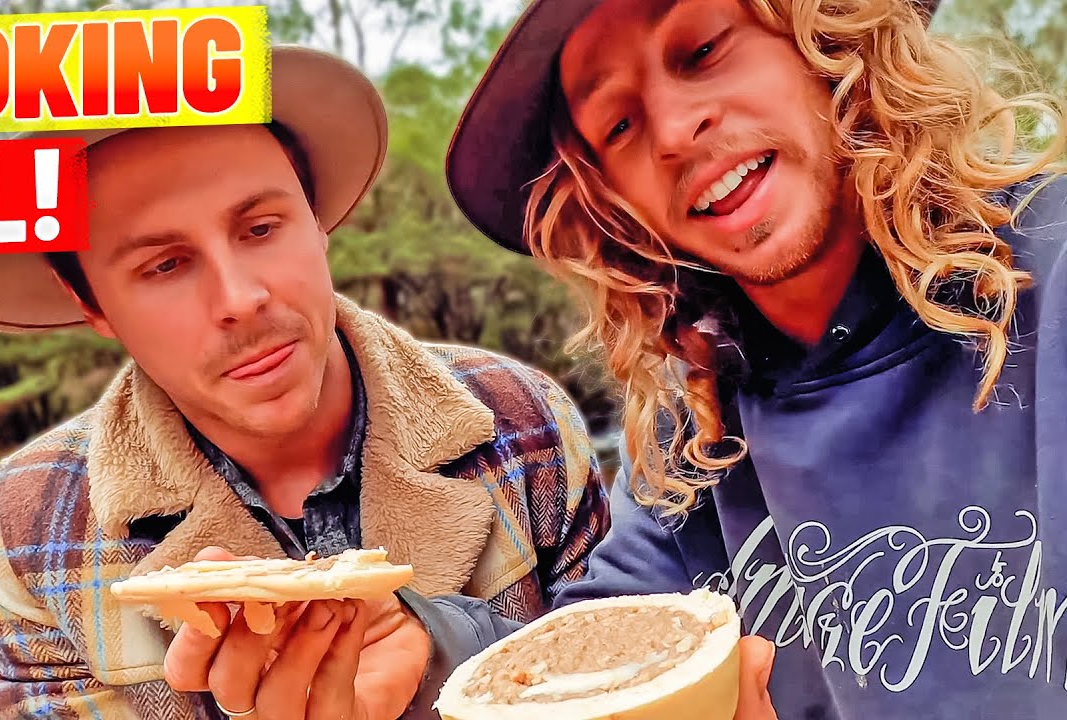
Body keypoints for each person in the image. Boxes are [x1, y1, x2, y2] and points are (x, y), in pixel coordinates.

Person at [429, 0, 1067, 718]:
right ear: (613, 202)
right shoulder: (691, 427)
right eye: (619, 125)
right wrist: (424, 642)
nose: (674, 132)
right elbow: (591, 648)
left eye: (702, 51)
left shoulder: (1051, 279)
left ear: (825, 33)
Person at [0, 44, 611, 720]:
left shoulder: (523, 420)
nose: (241, 298)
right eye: (165, 266)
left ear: (316, 222)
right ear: (92, 305)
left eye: (260, 228)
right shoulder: (27, 535)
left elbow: (622, 674)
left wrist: (439, 664)